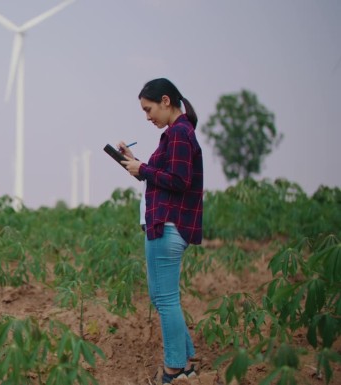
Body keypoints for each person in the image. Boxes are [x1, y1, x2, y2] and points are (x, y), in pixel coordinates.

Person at [119, 78, 203, 384]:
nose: (147, 116)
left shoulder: (179, 134)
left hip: (167, 226)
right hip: (166, 224)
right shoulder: (178, 134)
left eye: (148, 108)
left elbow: (179, 181)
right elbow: (163, 177)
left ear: (166, 100)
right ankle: (188, 363)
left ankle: (174, 370)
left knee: (165, 300)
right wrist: (135, 164)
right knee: (164, 298)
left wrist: (143, 169)